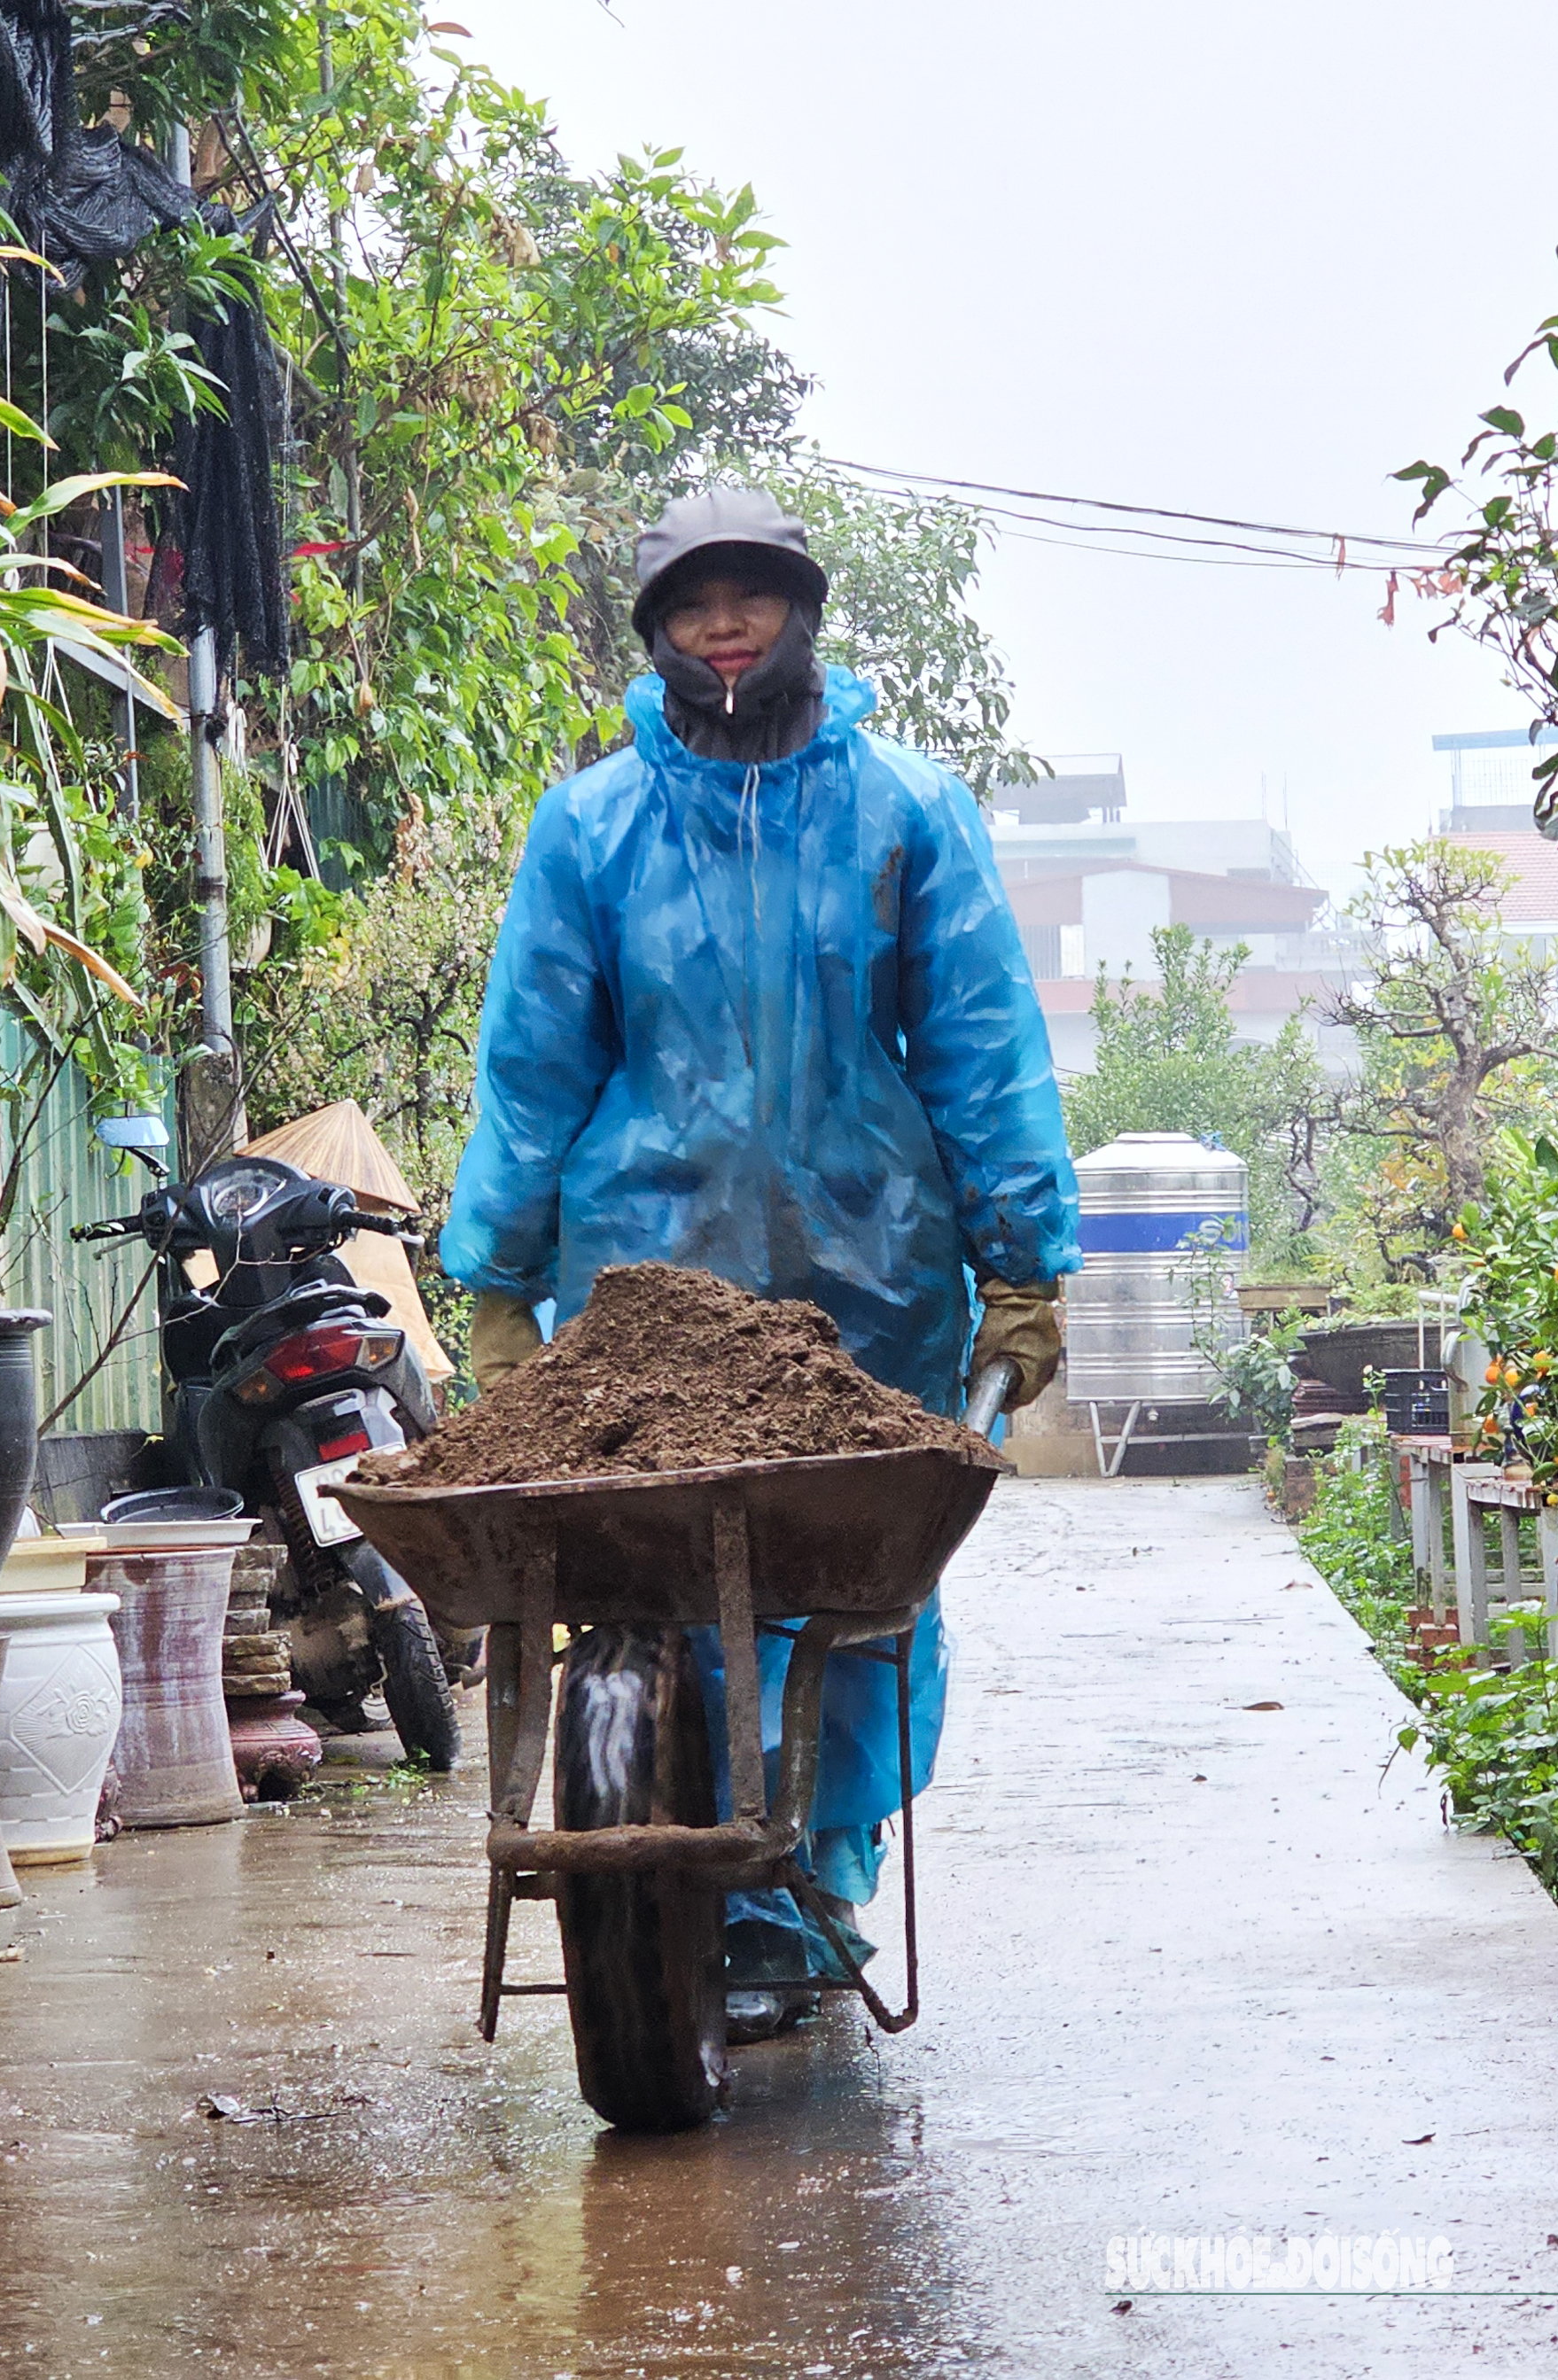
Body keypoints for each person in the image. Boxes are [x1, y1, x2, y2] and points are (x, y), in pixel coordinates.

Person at [440, 486, 1079, 2035]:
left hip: (872, 1273)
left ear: (800, 610)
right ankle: (691, 1880)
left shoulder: (905, 811)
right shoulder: (590, 825)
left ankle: (821, 1868)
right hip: (644, 1283)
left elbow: (980, 1041)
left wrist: (1020, 1258)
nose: (722, 620)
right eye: (690, 599)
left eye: (751, 593)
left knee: (850, 1591)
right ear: (655, 629)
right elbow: (533, 1064)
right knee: (657, 1587)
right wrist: (495, 1279)